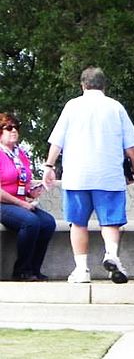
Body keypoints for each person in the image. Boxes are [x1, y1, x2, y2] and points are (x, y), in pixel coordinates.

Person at [43, 67, 134, 284]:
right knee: (111, 222)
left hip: (77, 175)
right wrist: (132, 170)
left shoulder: (72, 106)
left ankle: (81, 270)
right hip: (109, 175)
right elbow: (130, 146)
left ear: (82, 85)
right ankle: (112, 254)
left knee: (78, 223)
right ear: (104, 85)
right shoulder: (116, 107)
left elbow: (57, 140)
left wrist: (49, 165)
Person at [0, 113, 56, 281]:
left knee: (48, 223)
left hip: (19, 201)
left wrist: (33, 191)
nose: (14, 131)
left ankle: (34, 269)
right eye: (9, 128)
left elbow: (23, 181)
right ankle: (21, 270)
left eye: (16, 127)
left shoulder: (20, 154)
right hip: (3, 203)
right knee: (30, 222)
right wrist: (22, 204)